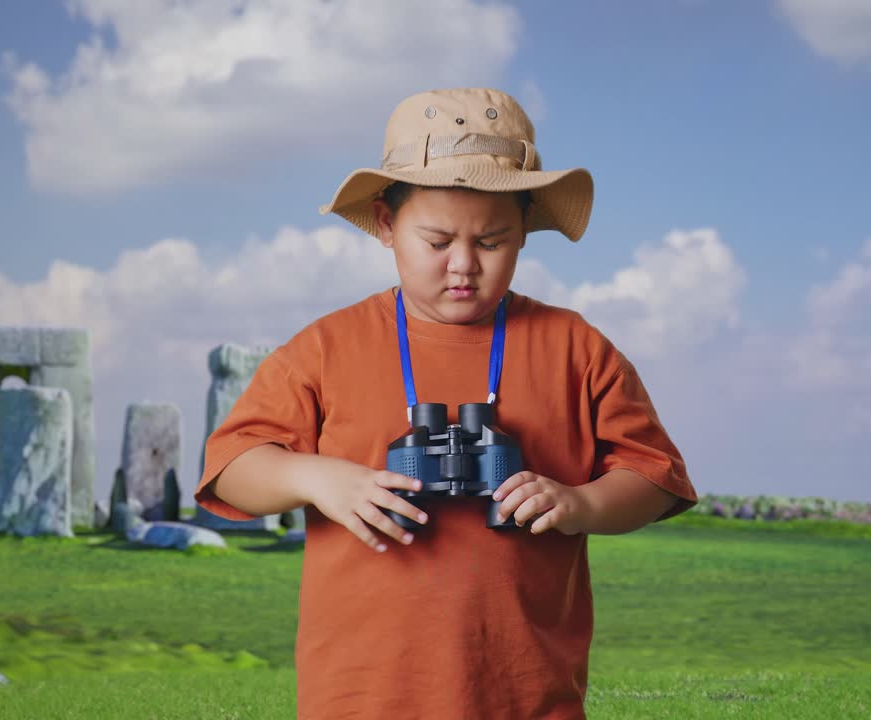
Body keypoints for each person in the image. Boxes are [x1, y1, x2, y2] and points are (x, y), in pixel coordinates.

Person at [195, 87, 697, 720]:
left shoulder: (576, 348)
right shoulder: (326, 347)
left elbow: (654, 478)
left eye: (493, 242)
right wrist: (317, 477)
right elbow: (232, 468)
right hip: (361, 697)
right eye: (436, 242)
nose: (463, 266)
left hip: (526, 694)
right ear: (385, 223)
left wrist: (580, 502)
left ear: (524, 233)